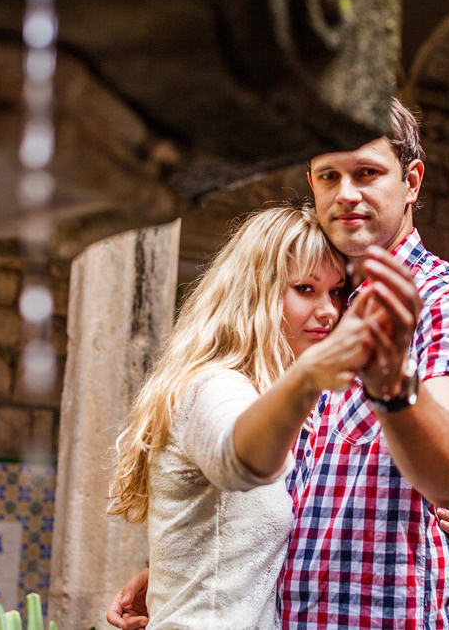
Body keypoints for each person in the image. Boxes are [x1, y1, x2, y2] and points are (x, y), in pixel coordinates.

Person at [110, 97, 449, 629]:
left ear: (412, 181)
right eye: (328, 176)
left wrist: (392, 387)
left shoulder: (442, 300)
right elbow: (281, 489)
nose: (346, 194)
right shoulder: (326, 310)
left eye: (367, 173)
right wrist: (192, 572)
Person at [107, 205, 381, 628]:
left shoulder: (263, 394)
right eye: (306, 289)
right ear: (257, 293)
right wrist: (308, 380)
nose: (329, 310)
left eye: (336, 291)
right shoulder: (214, 386)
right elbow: (238, 461)